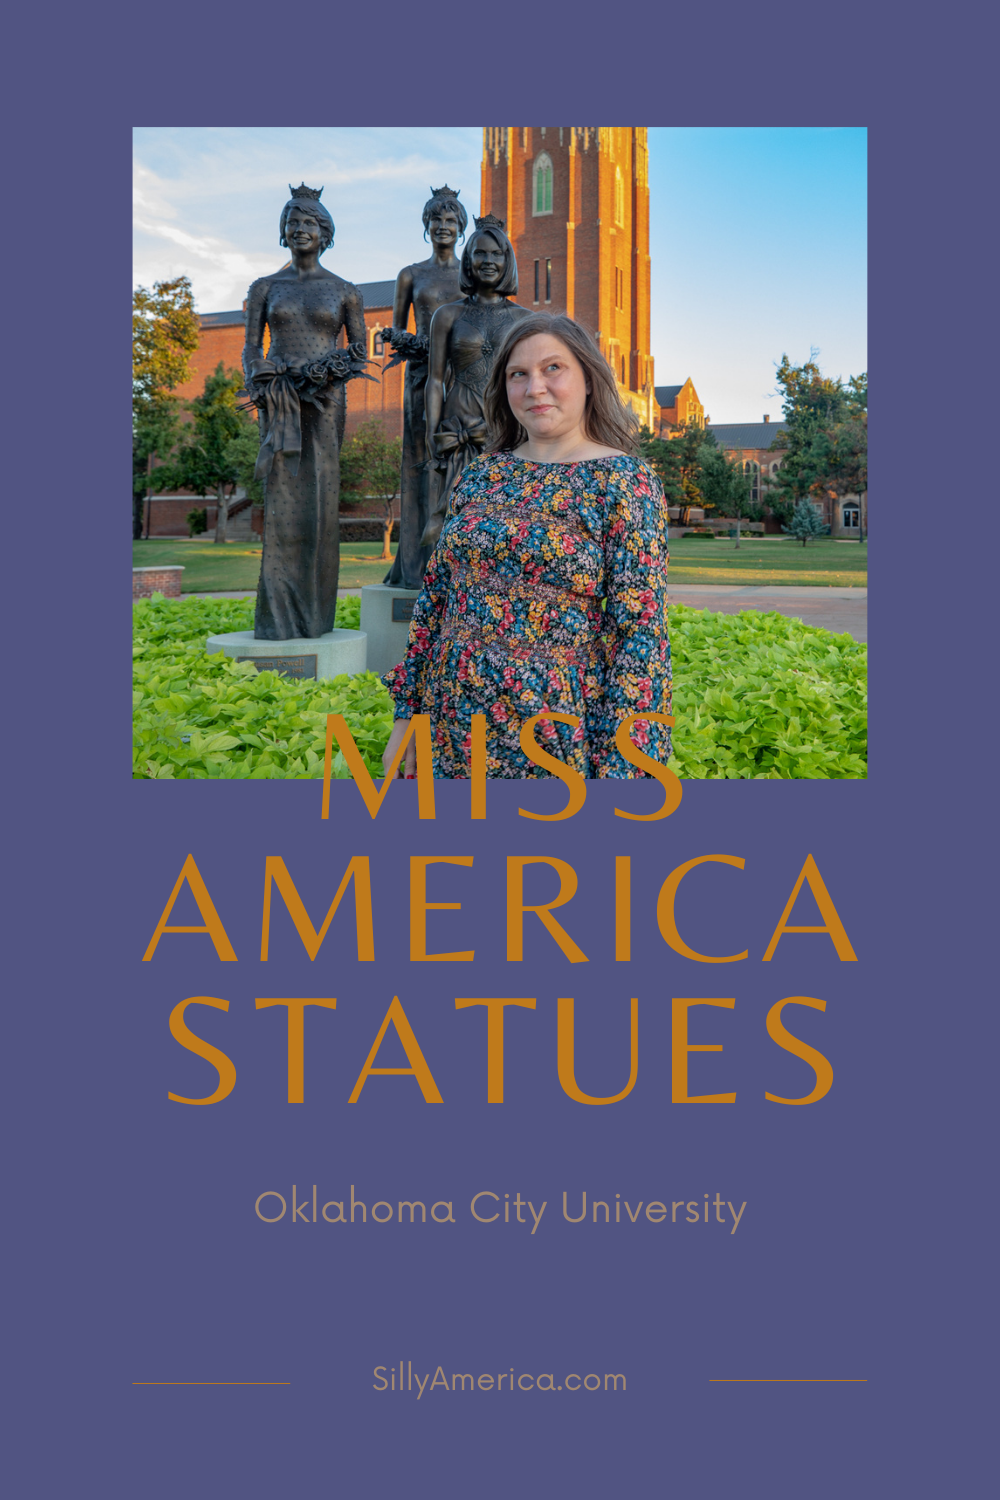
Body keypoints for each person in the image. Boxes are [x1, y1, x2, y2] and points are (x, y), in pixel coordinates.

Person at [380, 313, 671, 779]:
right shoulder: (481, 475)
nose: (535, 387)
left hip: (554, 734)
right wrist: (407, 716)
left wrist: (630, 773)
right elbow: (435, 604)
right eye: (519, 374)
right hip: (450, 722)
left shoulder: (624, 482)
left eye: (553, 368)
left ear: (589, 380)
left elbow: (640, 639)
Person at [242, 184, 368, 640]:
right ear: (284, 231)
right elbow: (250, 349)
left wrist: (325, 372)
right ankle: (277, 618)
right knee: (281, 500)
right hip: (280, 402)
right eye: (292, 223)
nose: (299, 229)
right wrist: (262, 375)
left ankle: (314, 616)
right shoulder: (265, 288)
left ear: (325, 232)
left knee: (319, 498)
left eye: (309, 223)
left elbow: (358, 353)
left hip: (326, 403)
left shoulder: (345, 291)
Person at [419, 213, 531, 551]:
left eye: (496, 254)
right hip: (459, 423)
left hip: (506, 427)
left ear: (507, 260)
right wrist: (432, 431)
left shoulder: (525, 319)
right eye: (480, 253)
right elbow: (435, 378)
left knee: (504, 524)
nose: (488, 261)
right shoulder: (448, 315)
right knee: (451, 525)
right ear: (468, 260)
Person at [381, 186, 467, 591]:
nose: (443, 226)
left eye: (450, 221)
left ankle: (456, 563)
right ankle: (414, 565)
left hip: (463, 381)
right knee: (420, 463)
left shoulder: (471, 274)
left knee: (460, 462)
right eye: (436, 220)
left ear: (461, 227)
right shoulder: (410, 275)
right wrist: (417, 345)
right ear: (426, 226)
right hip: (419, 379)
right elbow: (396, 332)